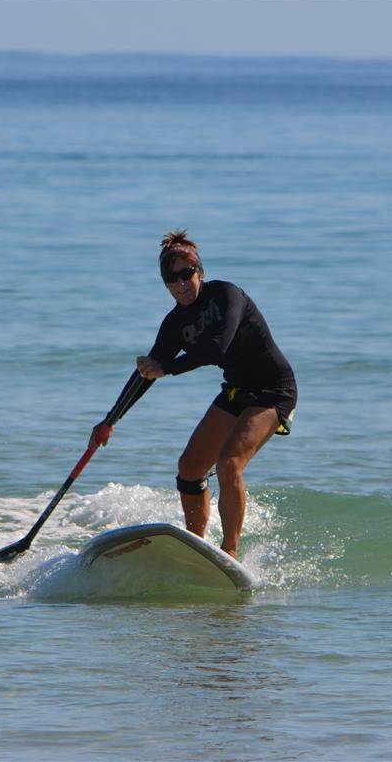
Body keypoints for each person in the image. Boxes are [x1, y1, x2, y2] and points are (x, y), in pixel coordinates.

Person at [89, 230, 296, 559]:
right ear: (165, 284)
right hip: (237, 391)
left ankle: (229, 552)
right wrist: (110, 421)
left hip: (274, 390)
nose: (182, 283)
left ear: (200, 271)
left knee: (229, 464)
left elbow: (218, 348)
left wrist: (168, 368)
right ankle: (196, 546)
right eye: (172, 279)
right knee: (189, 467)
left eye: (187, 273)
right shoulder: (174, 324)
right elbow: (148, 372)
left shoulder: (227, 295)